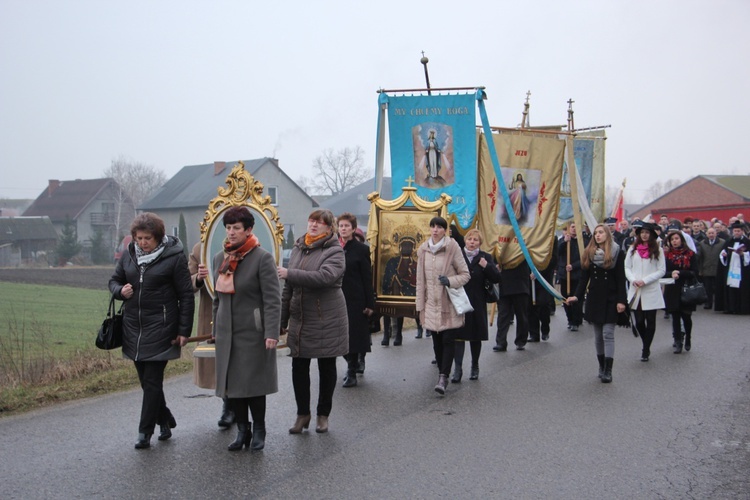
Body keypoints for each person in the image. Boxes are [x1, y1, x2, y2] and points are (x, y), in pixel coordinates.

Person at [109, 212, 194, 449]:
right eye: (138, 238)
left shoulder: (174, 258)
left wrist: (183, 330)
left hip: (163, 327)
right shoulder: (129, 255)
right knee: (146, 383)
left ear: (158, 237)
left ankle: (144, 432)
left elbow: (186, 296)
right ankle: (164, 418)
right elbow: (113, 281)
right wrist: (120, 291)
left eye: (147, 238)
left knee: (153, 381)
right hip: (133, 328)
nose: (143, 243)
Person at [211, 207, 281, 451]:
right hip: (226, 332)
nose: (231, 233)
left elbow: (273, 299)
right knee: (233, 385)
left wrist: (271, 332)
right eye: (228, 228)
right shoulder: (220, 258)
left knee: (252, 384)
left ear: (248, 230)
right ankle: (243, 430)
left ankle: (259, 429)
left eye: (236, 228)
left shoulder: (262, 258)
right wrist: (215, 328)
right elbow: (217, 298)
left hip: (252, 331)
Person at [279, 209, 348, 434]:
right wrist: (281, 320)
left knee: (326, 366)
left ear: (330, 228)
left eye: (319, 222)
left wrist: (290, 274)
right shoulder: (299, 247)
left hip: (326, 317)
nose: (314, 225)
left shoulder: (335, 251)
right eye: (311, 221)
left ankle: (323, 415)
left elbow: (324, 278)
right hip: (301, 318)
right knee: (299, 366)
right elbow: (288, 288)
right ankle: (302, 414)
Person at [415, 216, 470, 395]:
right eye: (433, 227)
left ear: (444, 230)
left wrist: (450, 281)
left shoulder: (452, 247)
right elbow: (419, 281)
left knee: (448, 340)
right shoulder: (423, 250)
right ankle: (442, 372)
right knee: (437, 342)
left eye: (439, 227)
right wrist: (419, 305)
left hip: (449, 302)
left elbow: (465, 274)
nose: (435, 230)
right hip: (431, 303)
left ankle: (443, 377)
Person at [565, 224, 626, 383]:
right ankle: (601, 365)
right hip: (595, 298)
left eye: (601, 232)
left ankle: (608, 370)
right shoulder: (589, 253)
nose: (598, 235)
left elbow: (621, 279)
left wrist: (621, 301)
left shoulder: (617, 253)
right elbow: (584, 279)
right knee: (598, 336)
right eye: (596, 233)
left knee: (608, 334)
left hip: (611, 298)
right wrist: (576, 297)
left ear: (607, 234)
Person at [189, 242, 234, 429]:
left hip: (239, 308)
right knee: (219, 360)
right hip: (212, 309)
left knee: (237, 358)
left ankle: (236, 405)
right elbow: (188, 280)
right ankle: (228, 404)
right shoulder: (202, 247)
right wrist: (199, 278)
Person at [450, 229, 501, 382]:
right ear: (465, 240)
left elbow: (496, 278)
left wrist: (487, 266)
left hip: (477, 301)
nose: (472, 242)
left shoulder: (485, 257)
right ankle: (457, 369)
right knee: (459, 337)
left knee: (475, 336)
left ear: (480, 243)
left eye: (475, 240)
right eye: (470, 239)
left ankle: (475, 366)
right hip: (460, 300)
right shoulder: (458, 256)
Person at [337, 213, 375, 388]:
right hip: (335, 298)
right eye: (341, 226)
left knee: (351, 337)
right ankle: (353, 361)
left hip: (354, 298)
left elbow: (367, 278)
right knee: (336, 336)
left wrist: (369, 303)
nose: (343, 229)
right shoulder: (332, 248)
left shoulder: (361, 250)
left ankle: (351, 371)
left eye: (346, 226)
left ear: (353, 229)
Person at [624, 222, 666, 362]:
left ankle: (646, 349)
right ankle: (645, 342)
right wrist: (633, 279)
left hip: (650, 289)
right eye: (642, 232)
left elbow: (661, 270)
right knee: (639, 321)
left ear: (652, 234)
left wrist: (646, 280)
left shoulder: (657, 250)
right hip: (636, 289)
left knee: (651, 321)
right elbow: (627, 267)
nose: (644, 235)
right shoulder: (632, 249)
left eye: (647, 233)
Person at [663, 226, 699, 353]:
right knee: (675, 316)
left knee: (686, 317)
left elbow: (695, 272)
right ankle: (678, 341)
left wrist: (680, 273)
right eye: (672, 239)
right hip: (672, 288)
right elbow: (663, 272)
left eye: (676, 238)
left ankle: (688, 336)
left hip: (687, 288)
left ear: (682, 240)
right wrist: (671, 273)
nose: (674, 241)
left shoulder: (690, 254)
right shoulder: (667, 255)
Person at [528, 235, 558, 342]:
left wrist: (538, 272)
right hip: (529, 278)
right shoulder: (526, 235)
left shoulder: (551, 237)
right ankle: (533, 333)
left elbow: (553, 259)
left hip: (544, 278)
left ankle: (545, 329)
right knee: (530, 306)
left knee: (543, 304)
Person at [717, 221, 750, 314]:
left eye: (738, 231)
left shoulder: (747, 242)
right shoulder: (728, 241)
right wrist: (724, 255)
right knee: (731, 288)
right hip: (731, 268)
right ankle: (731, 308)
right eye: (735, 231)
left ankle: (742, 308)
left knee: (742, 288)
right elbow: (722, 254)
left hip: (743, 270)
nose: (736, 233)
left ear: (742, 231)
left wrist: (743, 254)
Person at [558, 222, 585, 331]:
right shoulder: (562, 240)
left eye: (576, 227)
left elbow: (585, 258)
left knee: (576, 298)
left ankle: (575, 320)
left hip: (577, 275)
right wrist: (565, 242)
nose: (573, 229)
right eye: (572, 227)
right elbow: (558, 252)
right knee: (565, 298)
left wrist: (573, 266)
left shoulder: (582, 241)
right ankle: (570, 319)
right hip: (565, 275)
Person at [697, 227, 725, 310]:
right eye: (709, 233)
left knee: (718, 288)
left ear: (716, 233)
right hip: (706, 269)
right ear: (706, 234)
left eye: (713, 233)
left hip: (718, 269)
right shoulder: (702, 243)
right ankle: (708, 303)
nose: (711, 235)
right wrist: (700, 270)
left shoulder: (722, 242)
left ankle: (719, 304)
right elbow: (700, 258)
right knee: (707, 289)